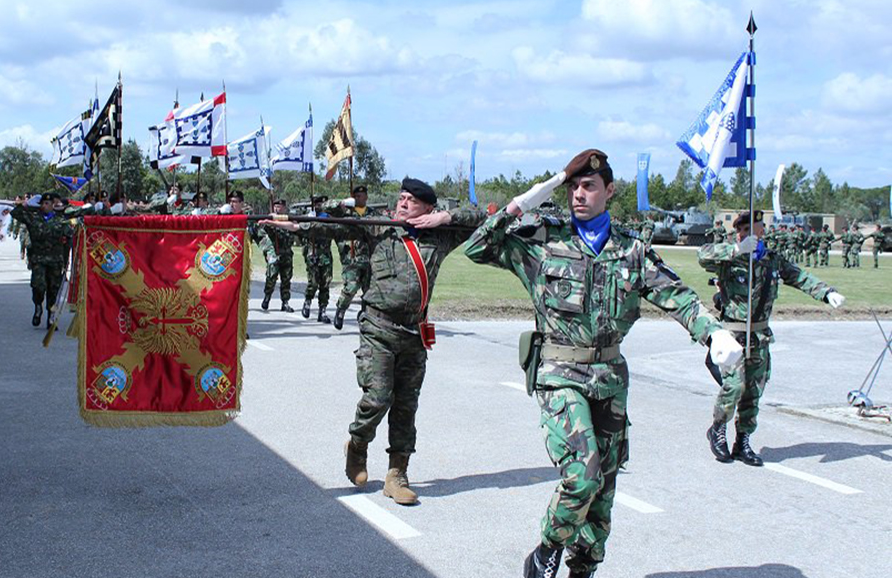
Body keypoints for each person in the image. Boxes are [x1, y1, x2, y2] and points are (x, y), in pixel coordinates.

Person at [464, 149, 741, 578]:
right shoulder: (543, 240)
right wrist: (538, 192)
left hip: (610, 381)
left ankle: (583, 568)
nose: (578, 193)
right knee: (583, 474)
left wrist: (713, 332)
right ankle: (547, 549)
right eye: (573, 186)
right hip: (559, 374)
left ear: (609, 192)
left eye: (588, 186)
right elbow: (477, 246)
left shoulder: (631, 250)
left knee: (603, 495)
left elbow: (678, 296)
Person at [261, 178, 486, 506]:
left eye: (412, 200)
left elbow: (483, 218)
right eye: (402, 197)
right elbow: (332, 226)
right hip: (377, 327)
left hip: (414, 332)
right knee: (378, 397)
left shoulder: (440, 235)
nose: (404, 203)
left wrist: (445, 218)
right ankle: (358, 444)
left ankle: (397, 475)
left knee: (406, 405)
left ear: (427, 208)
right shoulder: (379, 227)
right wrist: (299, 225)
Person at [700, 210, 844, 466]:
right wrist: (737, 250)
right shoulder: (729, 258)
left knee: (753, 392)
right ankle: (718, 430)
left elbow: (800, 277)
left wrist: (826, 293)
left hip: (760, 335)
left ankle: (743, 441)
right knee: (733, 386)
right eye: (741, 231)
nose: (746, 234)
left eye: (750, 229)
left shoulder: (771, 260)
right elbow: (703, 255)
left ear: (761, 230)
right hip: (732, 334)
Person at [10, 193, 74, 327]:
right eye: (43, 203)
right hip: (39, 259)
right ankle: (38, 306)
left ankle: (51, 316)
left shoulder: (60, 220)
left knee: (53, 290)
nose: (46, 206)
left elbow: (71, 233)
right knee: (39, 286)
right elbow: (15, 213)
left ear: (52, 205)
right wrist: (26, 204)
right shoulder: (34, 218)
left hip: (55, 260)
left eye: (48, 203)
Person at [332, 185, 381, 330]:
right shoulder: (346, 212)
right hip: (351, 258)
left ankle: (365, 315)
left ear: (366, 197)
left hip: (370, 258)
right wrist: (341, 204)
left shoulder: (373, 213)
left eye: (361, 196)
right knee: (351, 288)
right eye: (356, 196)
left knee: (369, 290)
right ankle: (340, 310)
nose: (358, 198)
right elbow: (327, 210)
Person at [301, 195, 334, 324]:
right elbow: (300, 229)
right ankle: (308, 302)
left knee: (325, 284)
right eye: (317, 203)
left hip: (325, 255)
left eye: (321, 204)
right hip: (312, 254)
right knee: (313, 283)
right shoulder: (308, 217)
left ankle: (323, 311)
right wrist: (309, 220)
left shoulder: (328, 217)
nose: (319, 206)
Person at [257, 199, 295, 312]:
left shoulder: (289, 219)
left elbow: (293, 227)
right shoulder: (270, 219)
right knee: (271, 277)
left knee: (286, 279)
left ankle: (285, 302)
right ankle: (267, 298)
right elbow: (263, 231)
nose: (277, 209)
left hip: (287, 253)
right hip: (275, 253)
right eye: (276, 206)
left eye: (280, 206)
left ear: (284, 207)